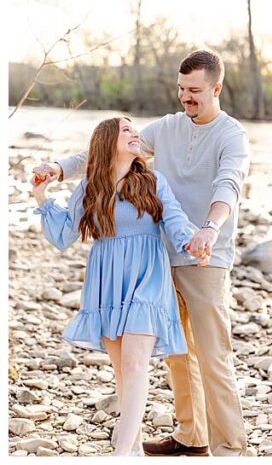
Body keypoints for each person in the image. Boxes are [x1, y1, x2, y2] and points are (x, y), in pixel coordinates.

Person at [33, 50, 251, 456]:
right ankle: (191, 436)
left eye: (195, 91)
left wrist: (210, 228)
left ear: (217, 88)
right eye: (182, 88)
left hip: (203, 252)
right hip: (155, 254)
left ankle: (231, 451)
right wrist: (59, 170)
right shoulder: (165, 128)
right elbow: (104, 153)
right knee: (175, 353)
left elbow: (229, 185)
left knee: (211, 354)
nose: (186, 97)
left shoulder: (231, 134)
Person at [32, 117, 208, 456]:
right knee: (122, 372)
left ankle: (121, 454)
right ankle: (137, 451)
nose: (135, 134)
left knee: (135, 364)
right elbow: (64, 234)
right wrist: (42, 197)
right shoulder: (88, 188)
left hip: (148, 277)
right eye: (126, 130)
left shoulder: (153, 181)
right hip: (107, 279)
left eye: (134, 129)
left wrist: (192, 243)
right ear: (107, 141)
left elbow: (174, 220)